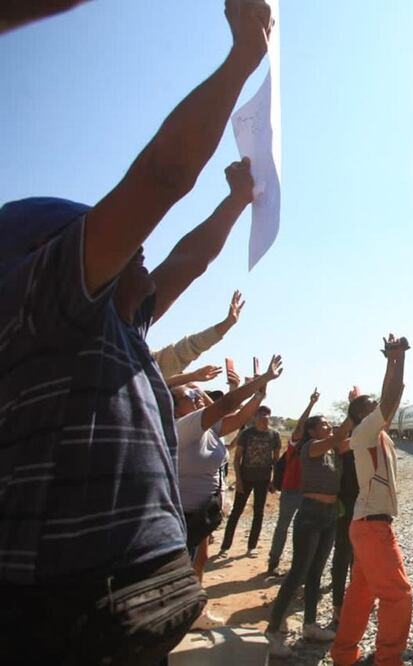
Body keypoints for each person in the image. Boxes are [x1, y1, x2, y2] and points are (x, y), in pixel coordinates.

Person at [0, 4, 271, 662]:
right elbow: (160, 179)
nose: (140, 249)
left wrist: (236, 202)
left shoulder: (117, 325)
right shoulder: (42, 301)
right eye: (120, 242)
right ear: (54, 253)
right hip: (72, 613)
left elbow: (187, 260)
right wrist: (241, 60)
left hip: (131, 605)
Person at [173, 355, 283, 629]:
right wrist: (262, 379)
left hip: (201, 514)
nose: (199, 398)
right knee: (180, 569)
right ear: (175, 408)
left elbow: (240, 417)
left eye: (199, 395)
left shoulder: (208, 428)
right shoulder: (184, 427)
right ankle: (173, 622)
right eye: (192, 395)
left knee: (200, 560)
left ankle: (194, 613)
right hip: (182, 516)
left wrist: (259, 395)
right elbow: (226, 405)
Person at [331, 335, 411, 666]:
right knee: (398, 596)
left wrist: (391, 363)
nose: (376, 406)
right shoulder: (365, 431)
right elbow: (389, 400)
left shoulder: (375, 433)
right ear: (361, 415)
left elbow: (388, 397)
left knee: (360, 597)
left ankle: (344, 655)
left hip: (365, 525)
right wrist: (398, 358)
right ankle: (389, 660)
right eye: (368, 405)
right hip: (372, 527)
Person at [266, 414, 353, 657]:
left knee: (316, 572)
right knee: (298, 573)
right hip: (310, 514)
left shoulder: (334, 449)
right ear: (312, 432)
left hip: (328, 514)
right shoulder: (311, 447)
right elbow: (339, 435)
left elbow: (355, 438)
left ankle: (310, 625)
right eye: (323, 424)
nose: (328, 426)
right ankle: (272, 633)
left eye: (328, 423)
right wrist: (353, 412)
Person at [267, 388, 320, 576]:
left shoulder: (321, 446)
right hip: (291, 490)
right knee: (283, 526)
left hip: (308, 493)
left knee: (303, 531)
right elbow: (300, 426)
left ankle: (299, 568)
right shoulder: (297, 442)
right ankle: (273, 561)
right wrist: (311, 404)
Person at [219, 404, 282, 557]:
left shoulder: (274, 435)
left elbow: (276, 460)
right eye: (261, 415)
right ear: (255, 417)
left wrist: (274, 481)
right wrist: (239, 481)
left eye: (267, 415)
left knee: (258, 513)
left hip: (263, 479)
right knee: (236, 512)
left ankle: (251, 547)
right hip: (246, 478)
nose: (264, 418)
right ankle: (225, 547)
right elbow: (237, 459)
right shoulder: (247, 434)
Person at [153, 290, 245, 379]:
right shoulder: (144, 363)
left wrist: (227, 323)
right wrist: (191, 377)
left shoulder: (146, 361)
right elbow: (185, 351)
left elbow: (187, 349)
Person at [331, 387, 362, 625]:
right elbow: (342, 445)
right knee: (342, 553)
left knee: (357, 555)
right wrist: (354, 406)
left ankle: (354, 599)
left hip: (363, 503)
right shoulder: (341, 439)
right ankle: (338, 605)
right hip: (344, 502)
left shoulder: (364, 436)